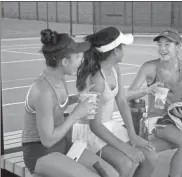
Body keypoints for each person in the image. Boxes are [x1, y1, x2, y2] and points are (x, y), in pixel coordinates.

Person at [22, 29, 118, 177]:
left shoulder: (59, 78)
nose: (82, 60)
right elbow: (47, 140)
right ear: (65, 62)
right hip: (41, 154)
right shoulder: (43, 91)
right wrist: (76, 114)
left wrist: (75, 99)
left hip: (62, 145)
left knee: (111, 174)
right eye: (78, 56)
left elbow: (56, 107)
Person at [127, 29, 182, 177]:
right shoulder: (149, 67)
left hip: (179, 117)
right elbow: (128, 95)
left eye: (167, 44)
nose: (162, 49)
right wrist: (146, 91)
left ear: (178, 46)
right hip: (157, 120)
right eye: (160, 44)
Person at [76, 27, 158, 177]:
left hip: (109, 127)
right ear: (115, 51)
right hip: (90, 132)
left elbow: (121, 101)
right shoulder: (96, 79)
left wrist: (132, 135)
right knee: (127, 163)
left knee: (151, 158)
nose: (124, 50)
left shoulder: (114, 68)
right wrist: (127, 149)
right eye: (123, 47)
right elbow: (95, 126)